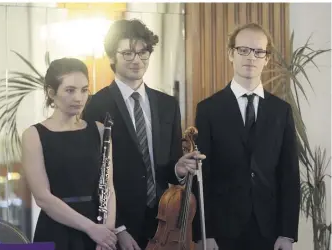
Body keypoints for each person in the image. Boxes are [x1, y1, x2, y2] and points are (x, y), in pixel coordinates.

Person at [83, 19, 205, 249]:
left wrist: (179, 169)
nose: (137, 60)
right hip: (117, 224)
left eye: (143, 52)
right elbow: (94, 175)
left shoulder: (167, 104)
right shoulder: (97, 105)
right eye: (128, 53)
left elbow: (168, 167)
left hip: (161, 221)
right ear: (111, 57)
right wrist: (118, 228)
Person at [192, 23, 300, 250]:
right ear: (231, 54)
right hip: (222, 232)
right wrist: (204, 233)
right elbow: (203, 177)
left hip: (269, 232)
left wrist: (287, 234)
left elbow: (289, 175)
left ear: (266, 59)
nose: (251, 57)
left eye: (259, 51)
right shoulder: (208, 109)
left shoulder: (282, 111)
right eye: (243, 50)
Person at [22, 58, 117, 250]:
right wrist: (91, 228)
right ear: (51, 92)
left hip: (98, 232)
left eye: (84, 90)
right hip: (56, 230)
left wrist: (107, 233)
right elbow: (43, 197)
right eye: (70, 90)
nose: (79, 98)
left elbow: (109, 188)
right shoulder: (33, 135)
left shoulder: (99, 130)